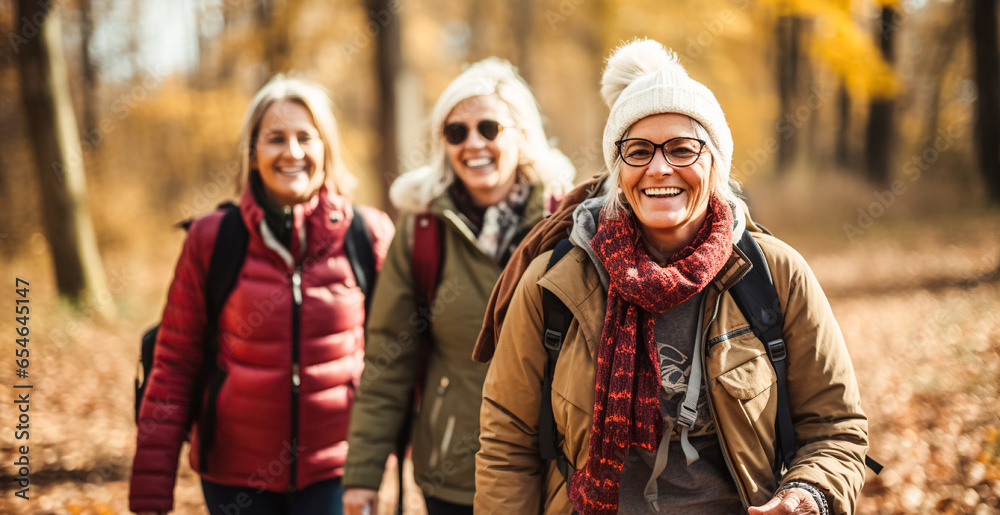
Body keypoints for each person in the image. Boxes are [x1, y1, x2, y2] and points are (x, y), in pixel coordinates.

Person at [475, 39, 869, 515]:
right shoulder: (554, 282)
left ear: (714, 163)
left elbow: (835, 426)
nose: (660, 167)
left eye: (682, 149)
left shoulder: (774, 274)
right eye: (638, 150)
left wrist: (809, 495)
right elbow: (507, 443)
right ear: (618, 169)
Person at [129, 76, 395, 515]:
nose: (292, 152)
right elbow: (174, 362)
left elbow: (398, 361)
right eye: (275, 139)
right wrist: (150, 492)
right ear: (252, 153)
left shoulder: (367, 234)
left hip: (338, 471)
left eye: (305, 137)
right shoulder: (212, 239)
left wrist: (386, 458)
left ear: (326, 147)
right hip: (234, 476)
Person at [342, 58, 576, 515]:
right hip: (455, 476)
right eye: (456, 132)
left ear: (523, 134)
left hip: (561, 473)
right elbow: (389, 359)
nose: (473, 144)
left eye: (489, 128)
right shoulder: (421, 234)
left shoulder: (568, 223)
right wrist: (363, 476)